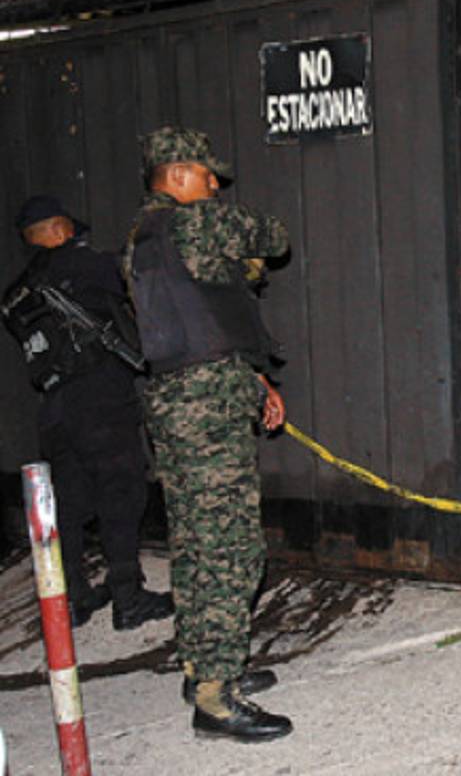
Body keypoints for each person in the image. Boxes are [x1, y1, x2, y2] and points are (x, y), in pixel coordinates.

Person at [124, 127, 292, 742]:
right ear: (175, 174)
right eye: (206, 175)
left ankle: (203, 669)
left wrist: (255, 384)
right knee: (230, 551)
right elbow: (274, 237)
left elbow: (202, 326)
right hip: (205, 411)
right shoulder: (189, 226)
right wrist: (241, 243)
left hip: (185, 399)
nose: (215, 186)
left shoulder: (147, 235)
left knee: (196, 547)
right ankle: (218, 700)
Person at [1, 195, 174, 630]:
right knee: (122, 494)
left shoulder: (17, 292)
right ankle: (128, 597)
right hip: (100, 401)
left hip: (55, 409)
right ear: (58, 231)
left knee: (70, 507)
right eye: (72, 232)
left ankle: (73, 597)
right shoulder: (80, 265)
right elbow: (136, 274)